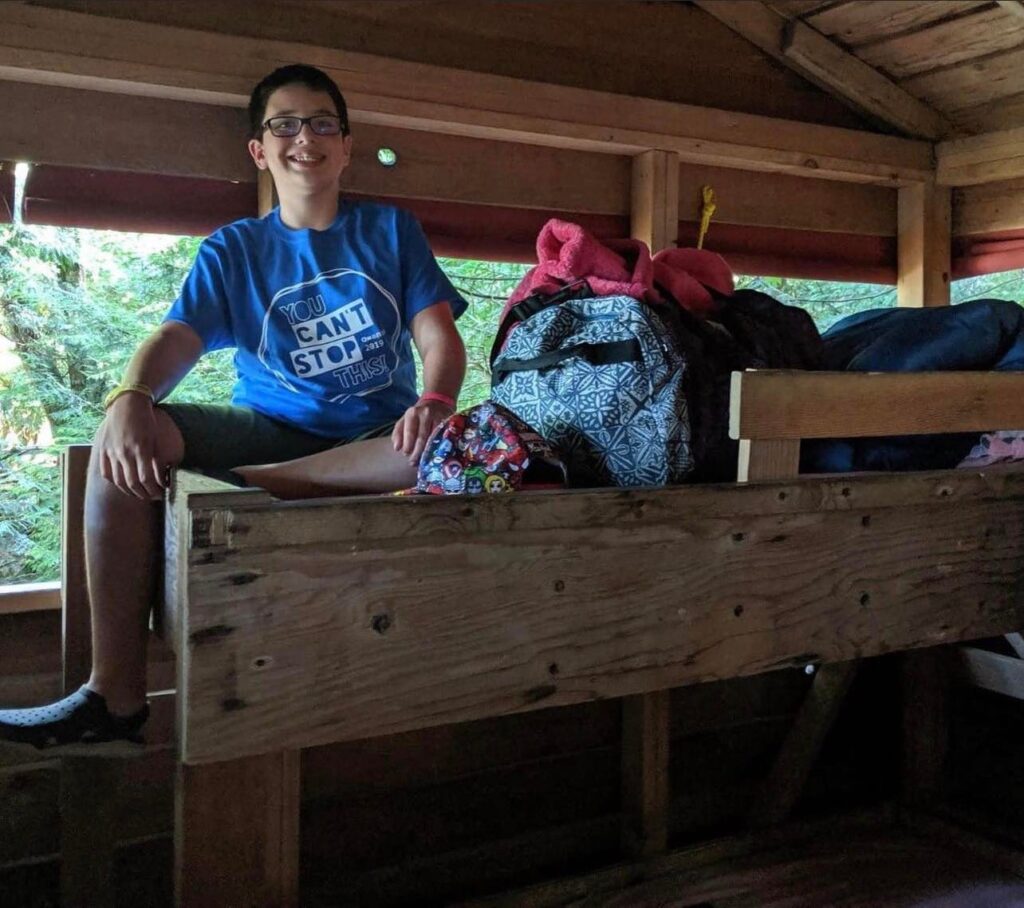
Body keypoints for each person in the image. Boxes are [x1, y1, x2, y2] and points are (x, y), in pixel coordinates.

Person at [0, 64, 467, 753]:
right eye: (284, 124)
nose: (303, 138)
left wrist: (435, 399)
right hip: (266, 430)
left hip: (377, 437)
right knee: (123, 438)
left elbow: (437, 333)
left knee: (451, 442)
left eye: (321, 124)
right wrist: (131, 395)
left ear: (345, 146)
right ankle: (115, 698)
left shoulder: (390, 231)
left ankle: (257, 489)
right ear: (259, 149)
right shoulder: (235, 250)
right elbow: (174, 338)